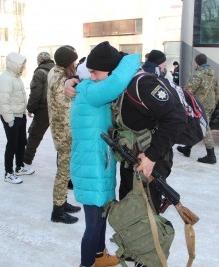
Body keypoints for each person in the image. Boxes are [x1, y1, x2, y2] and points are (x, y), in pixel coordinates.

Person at [68, 41, 140, 267]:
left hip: (97, 164)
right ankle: (86, 263)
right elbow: (120, 79)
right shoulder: (93, 92)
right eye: (90, 71)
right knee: (94, 224)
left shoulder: (88, 89)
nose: (93, 76)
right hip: (92, 166)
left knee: (101, 216)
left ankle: (99, 256)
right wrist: (126, 58)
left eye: (95, 71)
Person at [117, 49, 187, 216]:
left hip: (152, 157)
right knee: (129, 207)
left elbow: (176, 119)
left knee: (147, 214)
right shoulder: (122, 84)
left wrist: (151, 156)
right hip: (133, 156)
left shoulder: (143, 83)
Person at [47, 46, 81, 224]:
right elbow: (66, 114)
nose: (75, 64)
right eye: (74, 62)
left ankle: (63, 202)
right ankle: (58, 210)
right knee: (63, 172)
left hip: (58, 130)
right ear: (69, 62)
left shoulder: (55, 73)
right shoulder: (62, 83)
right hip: (64, 133)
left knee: (64, 170)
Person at [0, 52, 35, 184]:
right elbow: (3, 102)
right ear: (15, 64)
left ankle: (19, 167)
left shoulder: (15, 77)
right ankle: (8, 172)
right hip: (11, 117)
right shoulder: (5, 78)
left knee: (21, 142)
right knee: (12, 144)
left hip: (20, 115)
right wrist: (10, 120)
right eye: (22, 64)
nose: (24, 67)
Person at [177, 53, 219, 164]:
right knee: (196, 125)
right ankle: (187, 148)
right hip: (210, 104)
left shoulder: (198, 74)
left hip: (200, 105)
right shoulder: (213, 73)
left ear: (197, 62)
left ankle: (211, 155)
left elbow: (187, 90)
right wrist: (214, 103)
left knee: (204, 128)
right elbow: (217, 90)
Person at [23, 52, 55, 165]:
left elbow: (35, 93)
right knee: (62, 137)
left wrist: (30, 108)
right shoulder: (57, 70)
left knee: (34, 135)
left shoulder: (39, 72)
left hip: (43, 109)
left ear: (39, 61)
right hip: (58, 108)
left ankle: (26, 159)